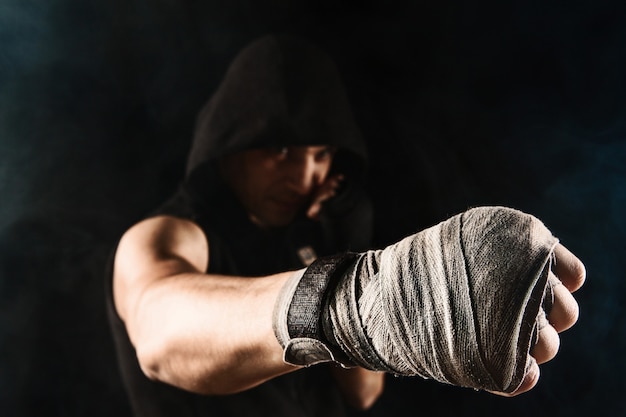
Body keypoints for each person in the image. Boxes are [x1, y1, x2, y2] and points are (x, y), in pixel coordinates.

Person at [106, 35, 585, 417]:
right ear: (229, 148)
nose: (302, 176)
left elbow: (362, 394)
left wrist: (337, 253)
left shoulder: (309, 236)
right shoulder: (167, 234)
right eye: (279, 152)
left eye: (319, 154)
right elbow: (158, 332)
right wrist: (357, 296)